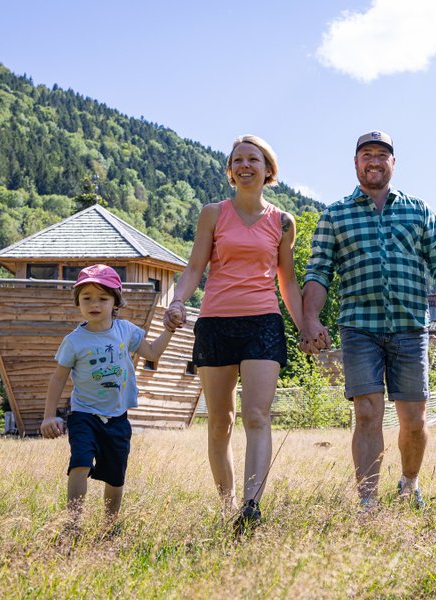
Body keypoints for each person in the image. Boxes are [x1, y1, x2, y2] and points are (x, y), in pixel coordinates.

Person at [300, 130, 436, 512]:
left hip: (411, 326)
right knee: (366, 412)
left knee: (414, 419)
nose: (374, 160)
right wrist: (310, 317)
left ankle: (408, 483)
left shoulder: (419, 210)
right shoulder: (335, 214)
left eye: (382, 154)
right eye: (367, 154)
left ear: (393, 163)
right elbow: (318, 271)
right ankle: (367, 501)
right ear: (355, 163)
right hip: (359, 326)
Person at [164, 134, 304, 532]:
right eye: (238, 160)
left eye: (253, 159)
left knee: (256, 415)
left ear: (268, 169)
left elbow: (287, 283)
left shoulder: (282, 221)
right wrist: (178, 301)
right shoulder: (213, 213)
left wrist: (305, 326)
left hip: (263, 322)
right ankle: (226, 504)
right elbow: (194, 269)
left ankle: (251, 506)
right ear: (230, 170)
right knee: (220, 420)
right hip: (215, 323)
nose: (245, 165)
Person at [40, 264, 175, 525]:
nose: (94, 304)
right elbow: (58, 378)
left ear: (115, 302)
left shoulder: (126, 331)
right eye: (86, 298)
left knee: (115, 476)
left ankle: (109, 525)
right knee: (80, 462)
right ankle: (73, 523)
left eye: (103, 298)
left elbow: (153, 354)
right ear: (78, 302)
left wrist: (169, 330)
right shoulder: (74, 341)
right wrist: (48, 416)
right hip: (83, 414)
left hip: (117, 417)